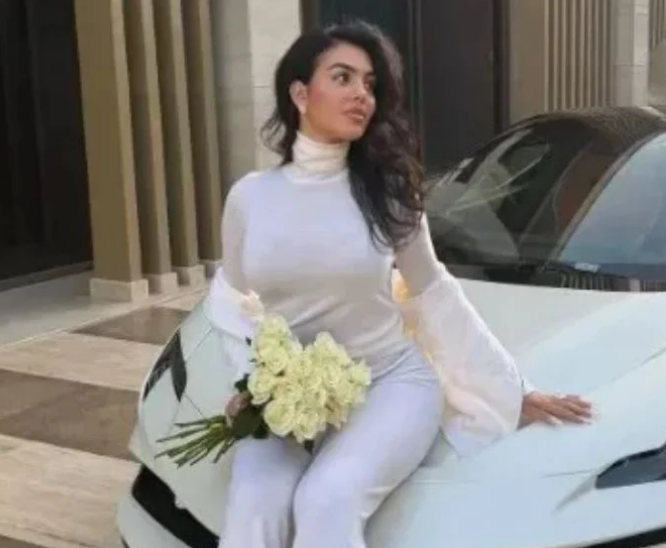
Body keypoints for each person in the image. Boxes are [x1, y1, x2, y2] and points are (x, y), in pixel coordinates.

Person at [206, 20, 594, 548]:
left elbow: (433, 289)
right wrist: (248, 380)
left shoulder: (387, 193)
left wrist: (513, 388)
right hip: (288, 396)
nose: (361, 95)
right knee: (255, 500)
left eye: (369, 84)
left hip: (390, 385)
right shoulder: (250, 197)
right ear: (299, 93)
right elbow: (229, 297)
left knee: (326, 499)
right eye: (342, 78)